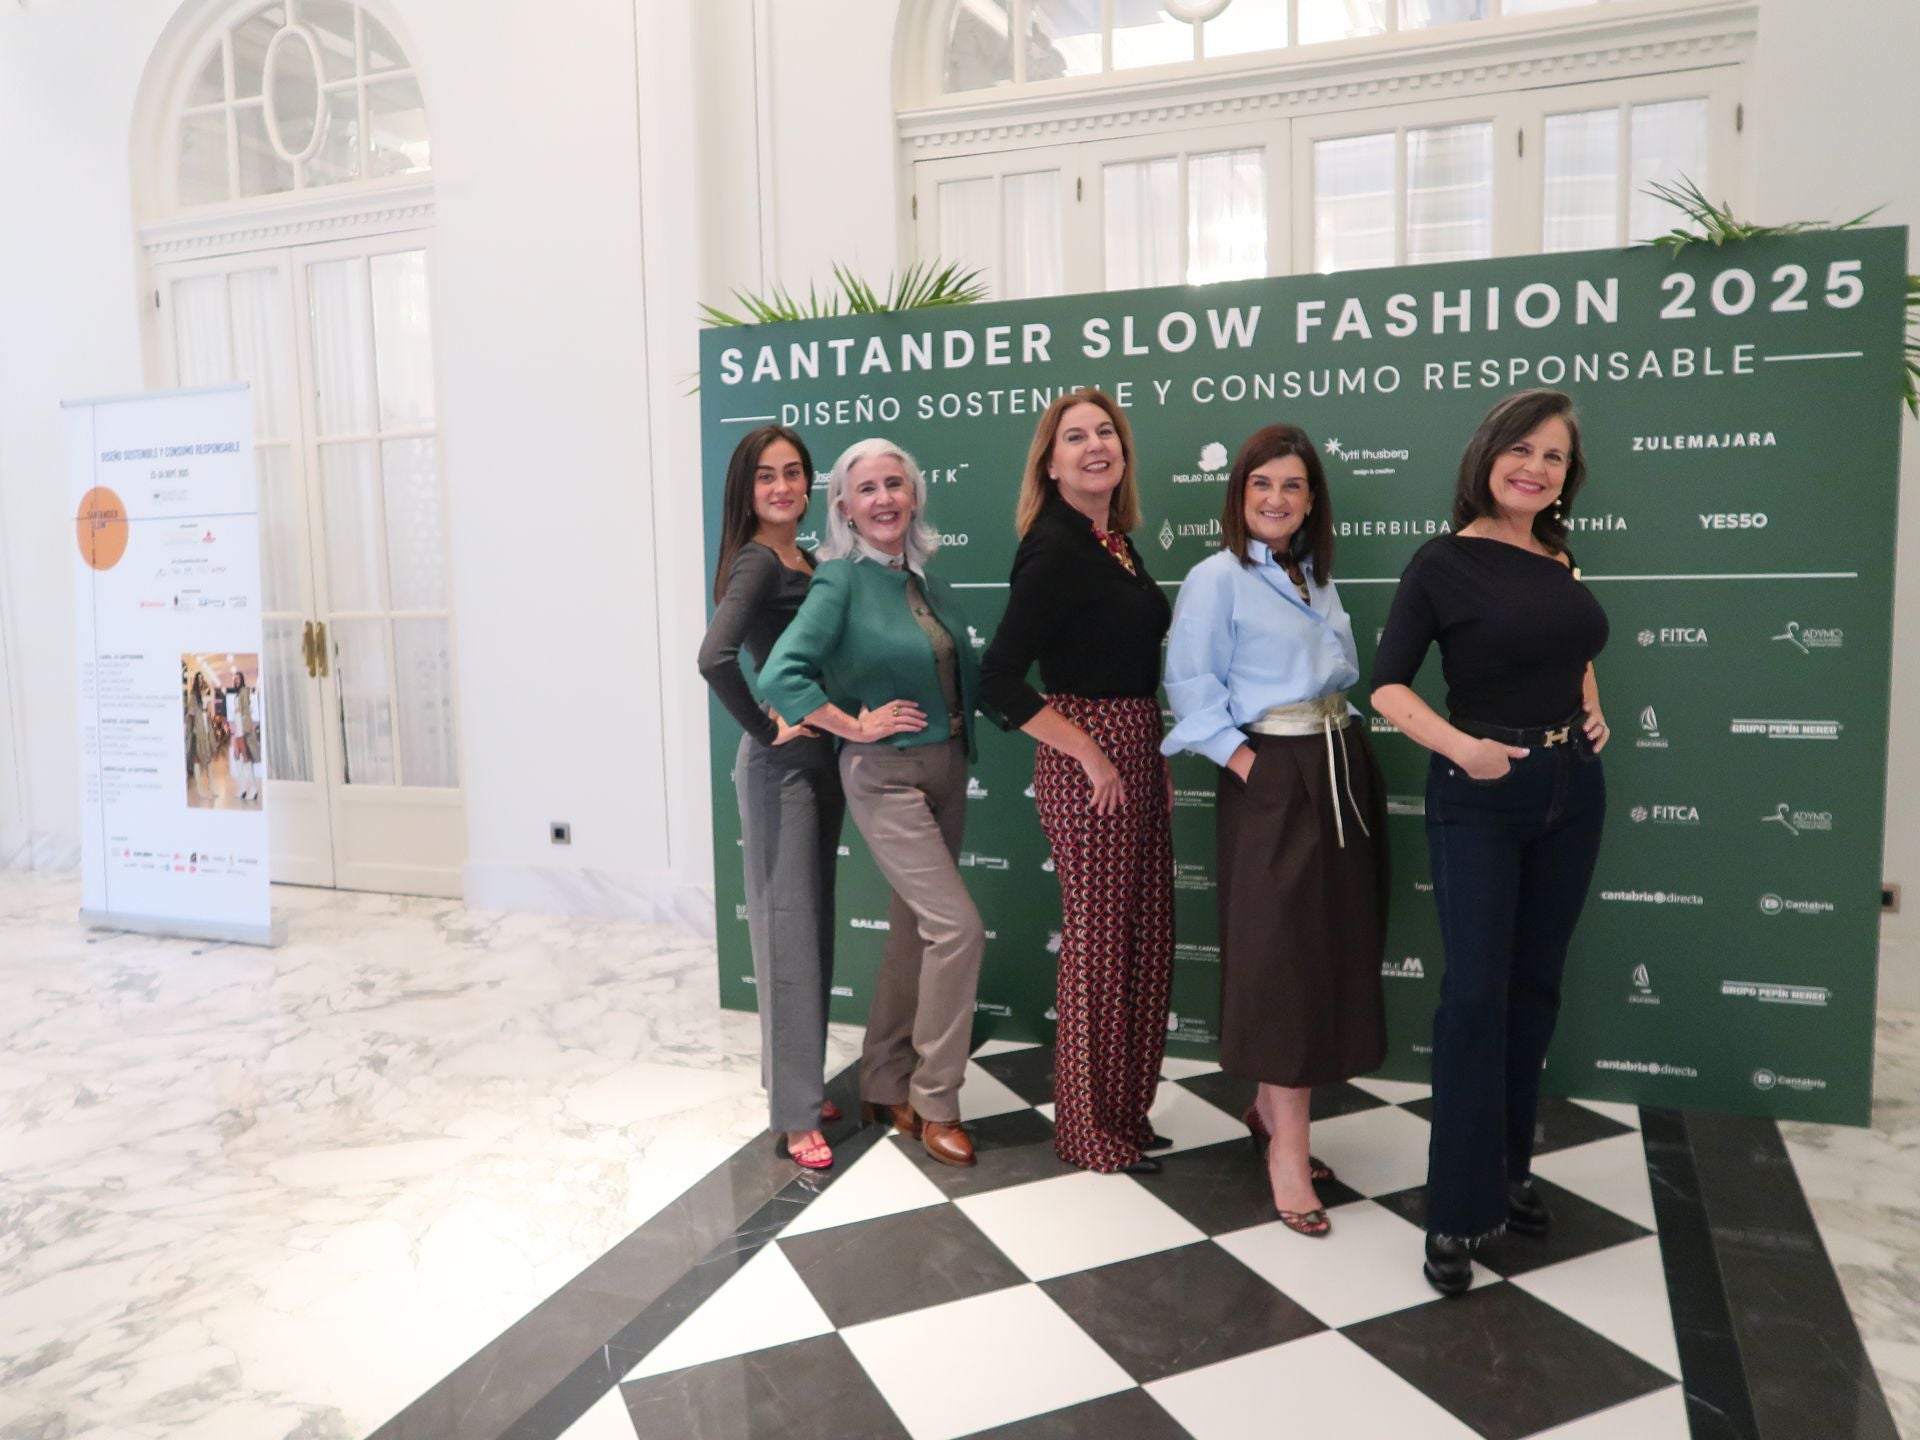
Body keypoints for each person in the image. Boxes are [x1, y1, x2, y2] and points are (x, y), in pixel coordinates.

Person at [1369, 389, 1609, 1295]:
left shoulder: (1557, 554)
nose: (1536, 468)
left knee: (1533, 989)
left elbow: (1572, 647)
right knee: (1475, 998)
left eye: (1554, 458)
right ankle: (1459, 1208)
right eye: (1522, 449)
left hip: (1572, 791)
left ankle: (1511, 1172)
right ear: (1487, 456)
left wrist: (1593, 707)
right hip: (1481, 795)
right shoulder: (1441, 563)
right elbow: (1387, 687)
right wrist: (1465, 749)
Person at [1162, 425, 1388, 1234]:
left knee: (1327, 947)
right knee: (1281, 957)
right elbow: (1191, 685)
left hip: (1338, 765)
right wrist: (1250, 768)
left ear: (1312, 500)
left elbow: (1336, 674)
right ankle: (1288, 1150)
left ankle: (1269, 1107)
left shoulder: (1313, 576)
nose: (1275, 500)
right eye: (1261, 484)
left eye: (1292, 487)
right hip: (1276, 773)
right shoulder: (1216, 577)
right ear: (1239, 493)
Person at [760, 437, 994, 1168]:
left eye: (895, 484)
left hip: (948, 767)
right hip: (884, 774)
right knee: (958, 929)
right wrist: (851, 723)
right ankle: (935, 1100)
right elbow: (780, 676)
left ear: (914, 495)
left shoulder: (927, 582)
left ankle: (883, 1078)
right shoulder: (839, 580)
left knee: (914, 930)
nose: (885, 498)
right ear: (844, 508)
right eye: (867, 489)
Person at [980, 388, 1173, 1176]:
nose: (1095, 445)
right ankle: (1088, 1129)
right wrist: (1092, 753)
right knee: (1098, 946)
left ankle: (1127, 1112)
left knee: (1145, 937)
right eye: (1075, 437)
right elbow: (998, 681)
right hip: (1086, 763)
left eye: (1106, 433)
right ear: (1050, 461)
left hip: (1136, 748)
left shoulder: (1115, 540)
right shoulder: (1055, 546)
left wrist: (1144, 750)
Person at [697, 424, 871, 1172]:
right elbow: (714, 657)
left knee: (806, 928)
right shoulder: (758, 563)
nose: (783, 487)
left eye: (794, 473)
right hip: (780, 769)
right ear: (747, 490)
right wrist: (768, 727)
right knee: (788, 934)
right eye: (767, 476)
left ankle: (795, 1081)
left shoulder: (809, 557)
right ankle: (796, 1114)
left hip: (820, 762)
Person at [227, 668, 261, 802]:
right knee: (238, 758)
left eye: (238, 678)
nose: (236, 681)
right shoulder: (238, 693)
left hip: (243, 728)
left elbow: (246, 708)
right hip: (238, 728)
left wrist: (239, 710)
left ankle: (253, 788)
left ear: (241, 680)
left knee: (246, 759)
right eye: (234, 679)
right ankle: (243, 788)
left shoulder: (244, 691)